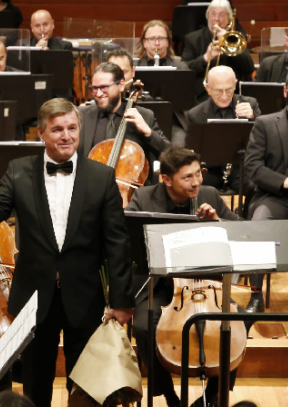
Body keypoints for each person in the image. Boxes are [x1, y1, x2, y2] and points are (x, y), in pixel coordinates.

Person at [0, 98, 134, 407]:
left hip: (84, 293)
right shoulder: (19, 171)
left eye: (72, 128)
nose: (66, 136)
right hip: (33, 295)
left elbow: (117, 243)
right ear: (41, 134)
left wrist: (122, 301)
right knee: (34, 380)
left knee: (85, 382)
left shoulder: (101, 176)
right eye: (57, 129)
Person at [127, 146, 241, 407]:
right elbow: (128, 242)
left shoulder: (210, 193)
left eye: (197, 174)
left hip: (206, 284)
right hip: (160, 285)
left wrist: (216, 222)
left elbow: (241, 233)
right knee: (143, 327)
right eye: (187, 177)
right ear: (166, 179)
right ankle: (168, 395)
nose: (196, 182)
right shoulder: (144, 198)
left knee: (236, 323)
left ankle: (211, 395)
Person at [78, 62, 170, 183]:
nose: (99, 94)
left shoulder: (144, 116)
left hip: (132, 194)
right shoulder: (82, 115)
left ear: (121, 85)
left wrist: (148, 132)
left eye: (104, 88)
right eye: (95, 88)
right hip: (91, 187)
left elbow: (170, 156)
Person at [244, 76, 288, 312]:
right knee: (260, 222)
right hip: (275, 197)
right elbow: (253, 167)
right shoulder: (266, 123)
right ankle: (256, 295)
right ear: (285, 91)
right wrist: (284, 182)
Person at [187, 65, 260, 193]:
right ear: (208, 88)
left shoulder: (250, 104)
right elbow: (194, 152)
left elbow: (263, 138)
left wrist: (253, 118)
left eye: (229, 89)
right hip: (210, 171)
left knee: (256, 187)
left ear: (235, 84)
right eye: (218, 91)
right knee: (197, 188)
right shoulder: (195, 114)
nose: (225, 96)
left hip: (240, 168)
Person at [181, 0, 254, 103]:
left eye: (222, 15)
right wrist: (205, 58)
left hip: (233, 96)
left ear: (229, 19)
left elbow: (249, 68)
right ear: (207, 17)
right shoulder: (193, 38)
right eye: (213, 14)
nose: (216, 19)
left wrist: (230, 44)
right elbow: (184, 70)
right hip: (201, 96)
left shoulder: (237, 37)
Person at [136, 20, 190, 146]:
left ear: (168, 42)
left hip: (173, 122)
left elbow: (187, 101)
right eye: (152, 39)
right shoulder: (134, 67)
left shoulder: (181, 67)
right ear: (144, 42)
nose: (157, 43)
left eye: (161, 38)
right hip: (142, 120)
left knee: (178, 149)